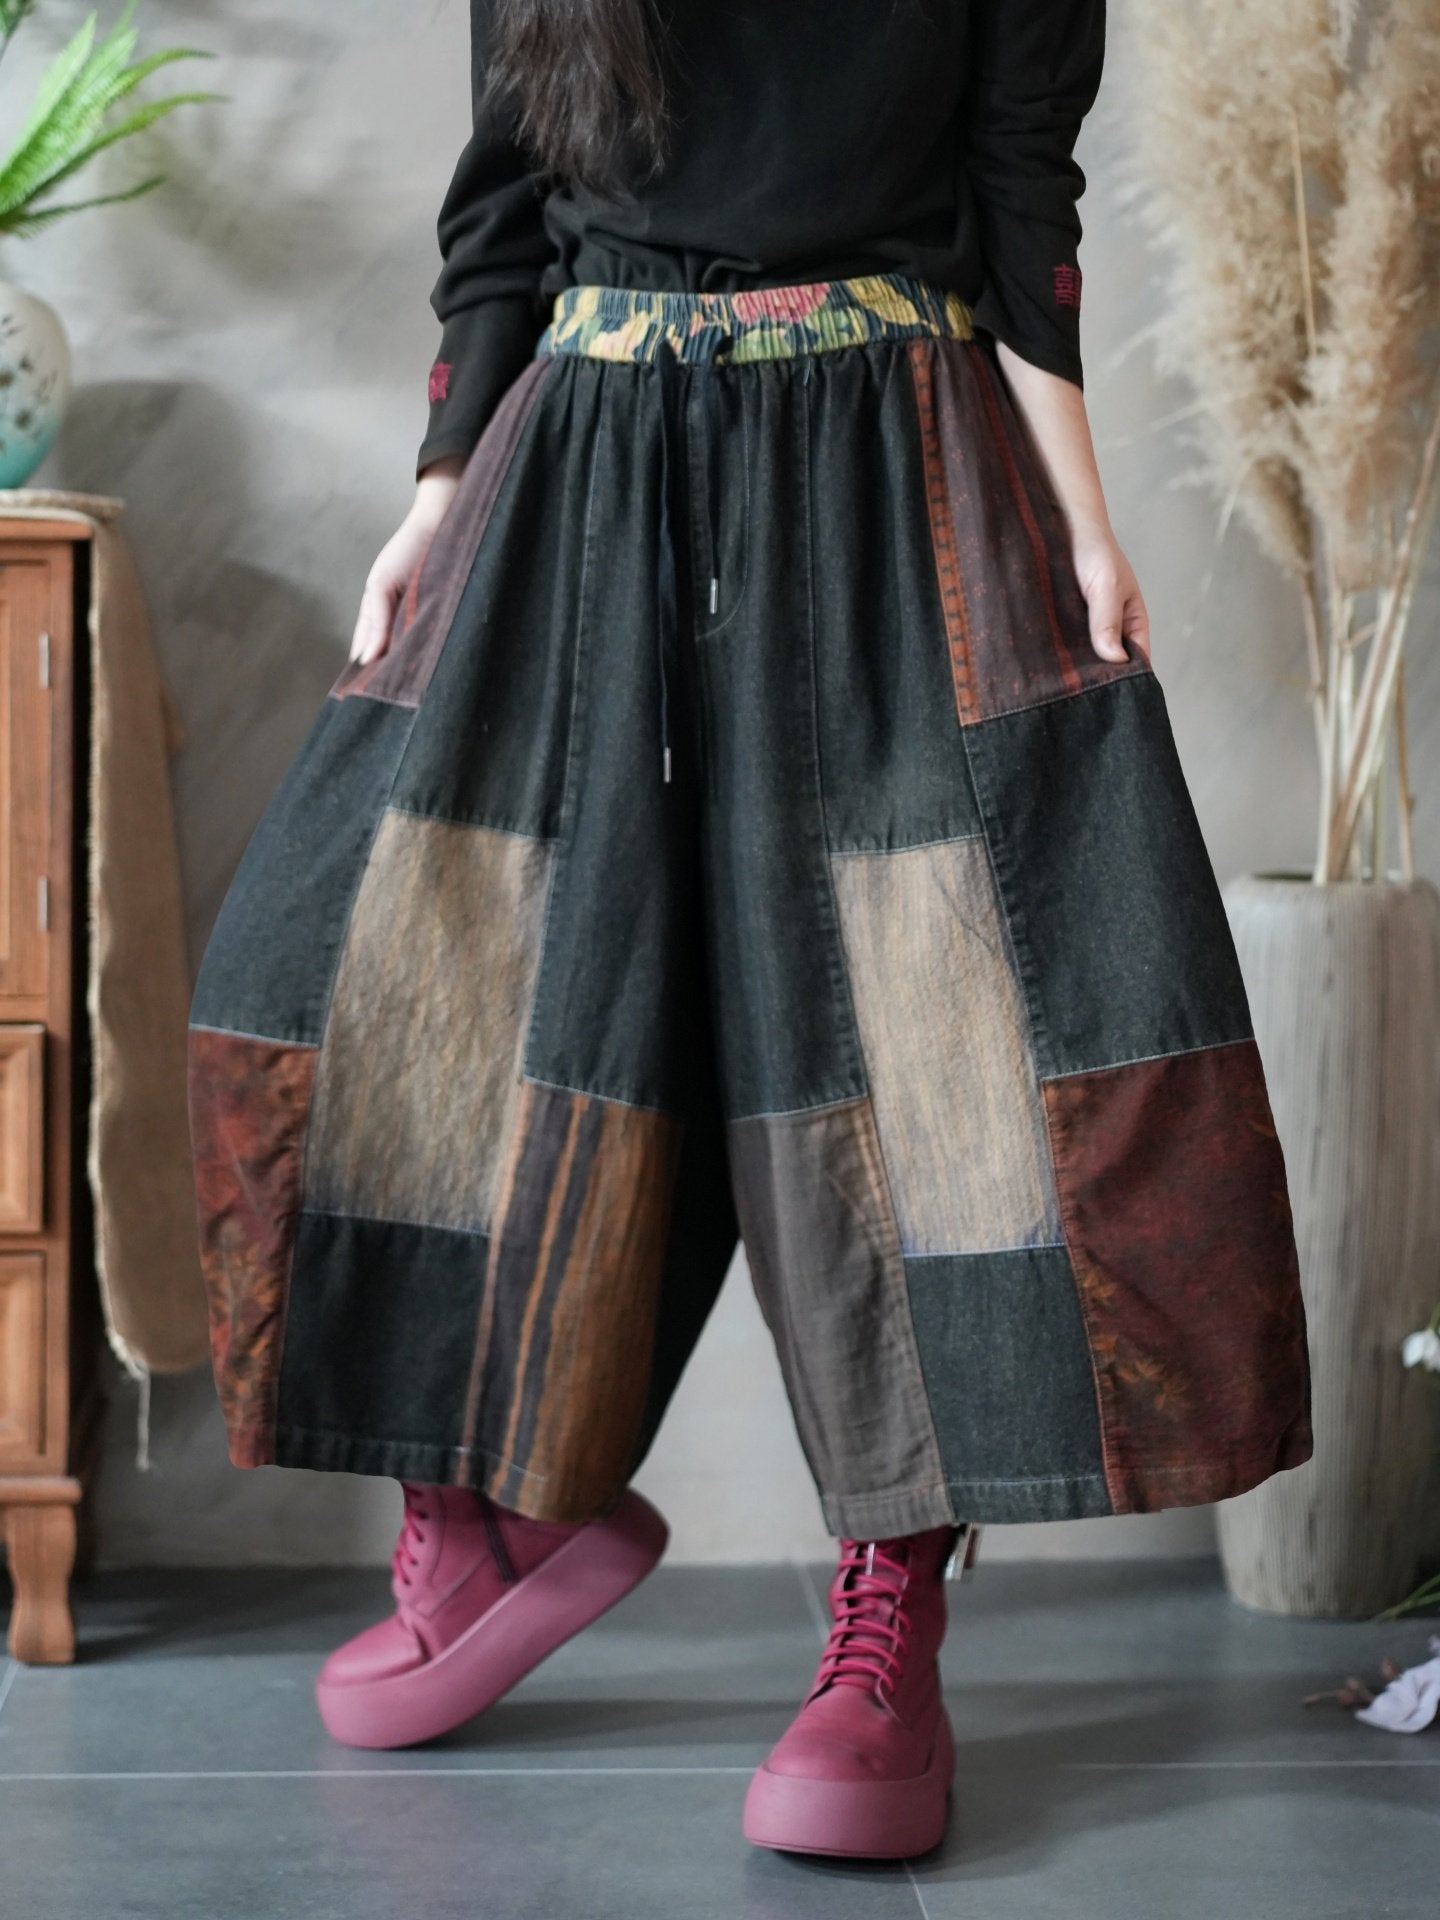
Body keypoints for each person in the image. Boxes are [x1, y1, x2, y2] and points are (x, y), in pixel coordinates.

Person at [187, 0, 1313, 1862]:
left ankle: (891, 1608)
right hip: (584, 463)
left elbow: (1020, 190)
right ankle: (485, 1515)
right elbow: (505, 203)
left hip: (890, 467)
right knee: (384, 981)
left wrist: (1084, 521)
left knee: (923, 1052)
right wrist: (436, 495)